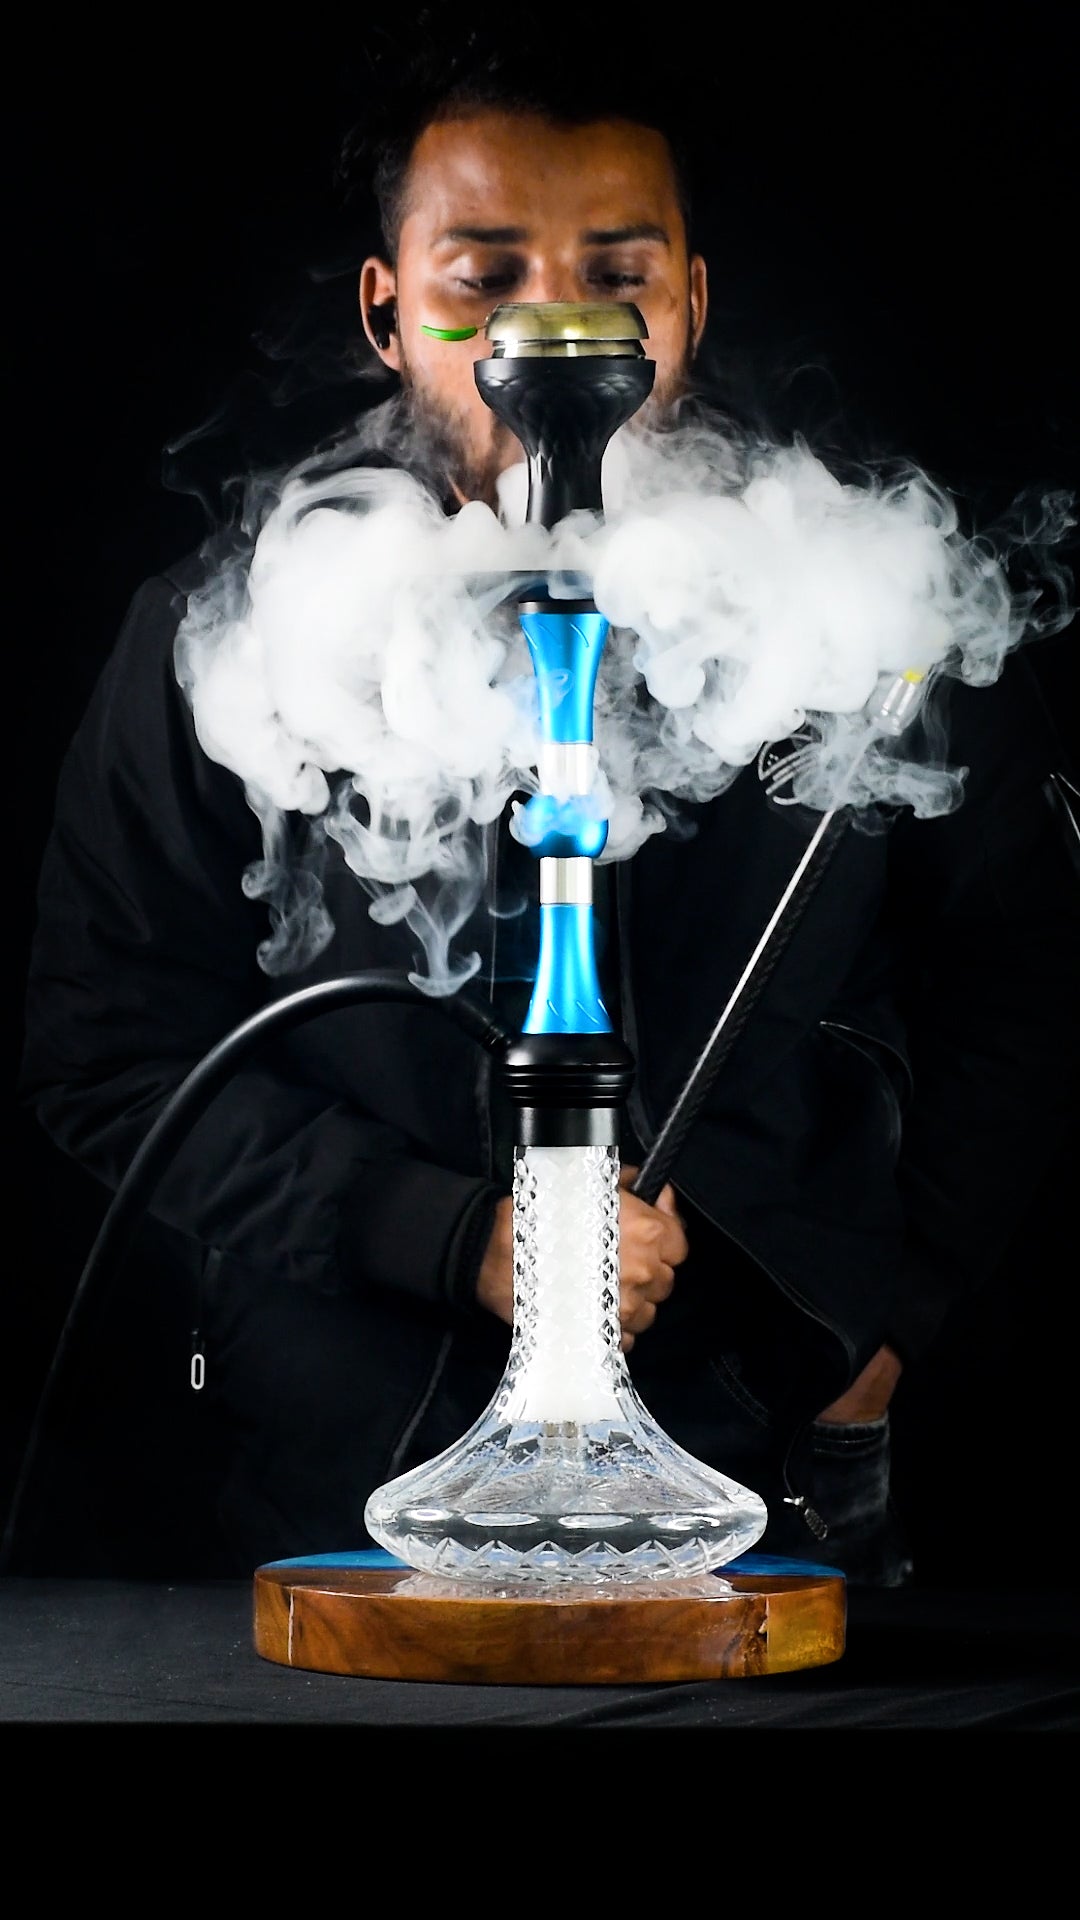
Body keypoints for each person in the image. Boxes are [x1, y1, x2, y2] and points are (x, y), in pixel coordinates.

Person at [10, 26, 1079, 1587]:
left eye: (616, 275)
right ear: (389, 309)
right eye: (486, 277)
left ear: (690, 300)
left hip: (772, 1464)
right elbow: (103, 1047)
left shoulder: (857, 617)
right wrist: (448, 1234)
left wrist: (886, 1324)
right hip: (347, 1474)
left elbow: (1032, 971)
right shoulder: (227, 638)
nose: (556, 328)